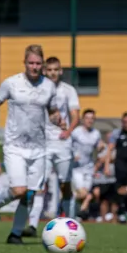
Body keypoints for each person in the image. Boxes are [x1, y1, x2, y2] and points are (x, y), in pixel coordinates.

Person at [0, 44, 64, 244]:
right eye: (31, 63)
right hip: (15, 146)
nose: (34, 67)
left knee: (30, 194)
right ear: (25, 63)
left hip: (38, 149)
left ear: (42, 64)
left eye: (38, 63)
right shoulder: (12, 83)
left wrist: (57, 119)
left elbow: (52, 112)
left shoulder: (49, 87)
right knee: (19, 190)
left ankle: (15, 234)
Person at [25, 57, 80, 237]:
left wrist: (68, 131)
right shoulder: (39, 91)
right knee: (39, 185)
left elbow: (75, 115)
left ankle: (71, 224)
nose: (52, 73)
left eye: (56, 69)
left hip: (63, 143)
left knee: (65, 185)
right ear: (44, 71)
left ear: (61, 71)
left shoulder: (68, 90)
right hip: (44, 144)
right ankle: (32, 225)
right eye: (49, 70)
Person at [68, 109, 103, 217]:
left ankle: (76, 214)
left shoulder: (96, 133)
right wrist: (73, 154)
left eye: (92, 118)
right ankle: (69, 206)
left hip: (89, 168)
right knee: (83, 194)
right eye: (87, 118)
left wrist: (101, 148)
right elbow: (67, 144)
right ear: (83, 119)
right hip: (77, 168)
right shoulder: (76, 132)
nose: (89, 121)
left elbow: (99, 147)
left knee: (84, 195)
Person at [78, 131, 117, 222]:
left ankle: (113, 218)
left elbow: (113, 158)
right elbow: (100, 160)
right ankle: (99, 217)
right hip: (102, 179)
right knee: (100, 198)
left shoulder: (115, 149)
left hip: (113, 179)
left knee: (113, 200)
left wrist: (108, 154)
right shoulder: (103, 149)